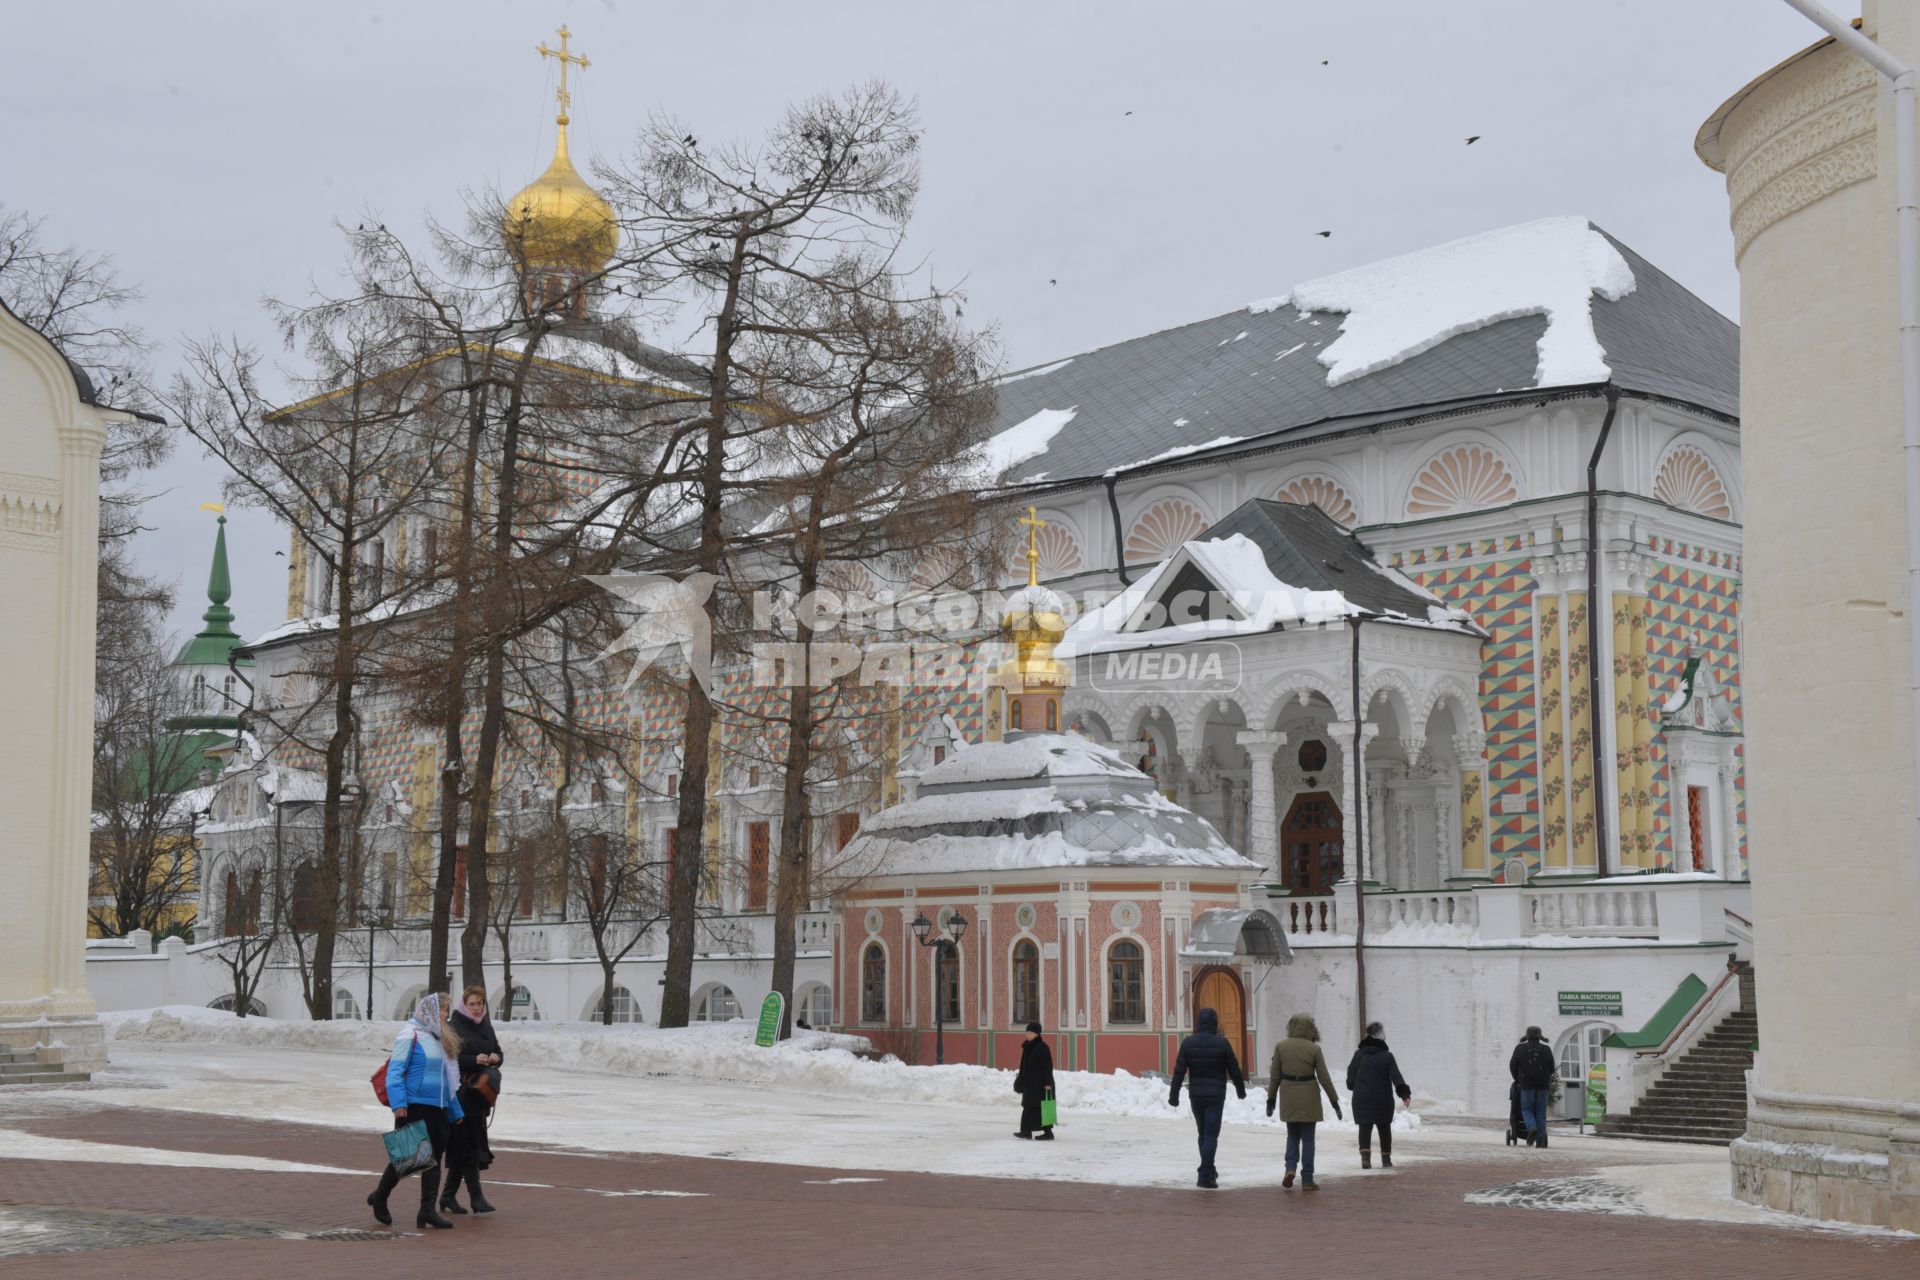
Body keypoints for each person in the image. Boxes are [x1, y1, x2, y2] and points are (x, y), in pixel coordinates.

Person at [368, 991, 465, 1230]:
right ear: (431, 1010)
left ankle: (427, 1211)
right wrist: (399, 1105)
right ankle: (380, 1195)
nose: (446, 1014)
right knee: (408, 1157)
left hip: (439, 1108)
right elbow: (395, 1073)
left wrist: (455, 1110)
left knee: (433, 1160)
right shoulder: (409, 1035)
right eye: (443, 1009)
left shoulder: (439, 1038)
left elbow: (447, 1079)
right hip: (415, 1106)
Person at [440, 984, 503, 1216]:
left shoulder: (485, 1025)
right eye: (472, 1004)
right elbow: (450, 1059)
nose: (477, 1008)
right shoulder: (454, 1026)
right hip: (461, 1093)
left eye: (480, 1004)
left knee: (465, 1146)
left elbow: (498, 1050)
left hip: (480, 1094)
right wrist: (474, 1059)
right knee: (467, 1145)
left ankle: (448, 1196)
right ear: (463, 1005)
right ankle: (476, 1197)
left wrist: (496, 1057)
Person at [1167, 1007, 1246, 1188]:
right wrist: (1241, 1090)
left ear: (1198, 1023)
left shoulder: (1188, 1043)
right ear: (1215, 1024)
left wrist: (1174, 1095)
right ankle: (1205, 1175)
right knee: (1211, 1135)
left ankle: (1208, 1169)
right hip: (1216, 1095)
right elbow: (1234, 1069)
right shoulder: (1223, 1043)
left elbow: (1179, 1071)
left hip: (1196, 1095)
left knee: (1203, 1133)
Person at [1266, 1012, 1340, 1190]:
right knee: (1308, 1139)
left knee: (1292, 1135)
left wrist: (1271, 1098)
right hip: (1309, 1095)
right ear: (1310, 1029)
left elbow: (1274, 1076)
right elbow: (1324, 1078)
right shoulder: (1314, 1049)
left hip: (1288, 1093)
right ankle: (1307, 1178)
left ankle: (1290, 1168)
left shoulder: (1281, 1047)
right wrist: (1334, 1101)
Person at [1345, 1020, 1412, 1169]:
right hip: (1383, 1099)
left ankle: (1365, 1159)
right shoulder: (1387, 1056)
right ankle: (1386, 1159)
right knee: (1384, 1128)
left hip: (1361, 1098)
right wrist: (1404, 1094)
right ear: (1381, 1037)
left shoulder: (1359, 1054)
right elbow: (1396, 1077)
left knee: (1365, 1127)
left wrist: (1352, 1085)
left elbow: (1351, 1074)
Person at [1510, 1025, 1557, 1149]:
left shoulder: (1520, 1049)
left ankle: (1531, 1128)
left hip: (1526, 1086)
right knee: (1541, 1114)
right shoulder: (1546, 1049)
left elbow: (1513, 1066)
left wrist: (1518, 1079)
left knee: (1526, 1110)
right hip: (1543, 1086)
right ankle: (1540, 1141)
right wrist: (1545, 1077)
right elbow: (1552, 1067)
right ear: (1539, 1036)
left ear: (1527, 1035)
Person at [1012, 1021, 1056, 1141]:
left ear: (1037, 1034)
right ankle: (1026, 1132)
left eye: (1030, 1033)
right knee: (1028, 1107)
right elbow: (1024, 1066)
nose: (1028, 1035)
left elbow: (1048, 1066)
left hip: (1041, 1085)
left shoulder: (1042, 1047)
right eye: (1026, 1033)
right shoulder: (1027, 1047)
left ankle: (1047, 1133)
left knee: (1042, 1108)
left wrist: (1047, 1083)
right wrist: (1020, 1080)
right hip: (1030, 1084)